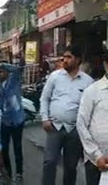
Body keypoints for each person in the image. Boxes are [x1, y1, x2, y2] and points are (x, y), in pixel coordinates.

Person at [40, 45, 94, 185]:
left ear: (78, 60)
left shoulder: (88, 82)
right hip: (54, 127)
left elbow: (90, 107)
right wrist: (45, 118)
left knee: (71, 166)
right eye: (64, 57)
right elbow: (44, 98)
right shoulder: (54, 77)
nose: (64, 60)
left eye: (69, 57)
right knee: (49, 161)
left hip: (75, 130)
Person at [77, 49, 108, 185]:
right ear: (106, 64)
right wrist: (97, 155)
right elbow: (81, 124)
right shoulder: (93, 91)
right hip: (96, 159)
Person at [0, 62, 26, 182]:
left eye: (2, 71)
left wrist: (2, 64)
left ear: (7, 73)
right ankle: (7, 172)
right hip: (5, 121)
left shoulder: (14, 81)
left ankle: (19, 173)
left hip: (18, 120)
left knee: (17, 147)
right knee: (4, 148)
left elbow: (17, 69)